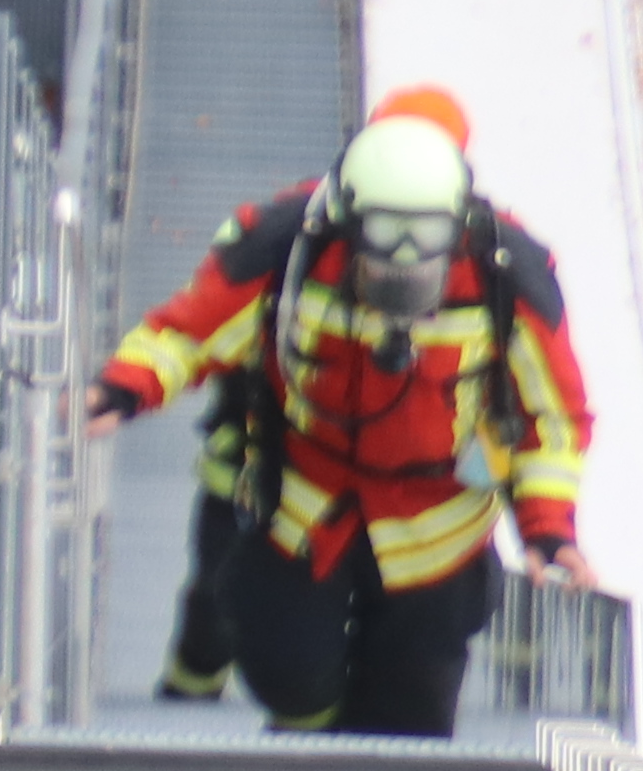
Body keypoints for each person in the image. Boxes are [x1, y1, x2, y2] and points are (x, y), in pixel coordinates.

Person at [84, 97, 598, 738]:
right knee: (286, 669)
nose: (406, 256)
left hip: (437, 535)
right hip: (307, 509)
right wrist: (123, 388)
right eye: (385, 233)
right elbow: (191, 330)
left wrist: (549, 529)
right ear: (347, 213)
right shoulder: (284, 246)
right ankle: (306, 754)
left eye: (428, 234)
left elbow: (553, 415)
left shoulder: (507, 272)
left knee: (410, 718)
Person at [142, 80, 473, 701]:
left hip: (312, 481)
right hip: (256, 459)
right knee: (228, 587)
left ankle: (213, 690)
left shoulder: (459, 253)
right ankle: (196, 686)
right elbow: (208, 319)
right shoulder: (290, 237)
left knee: (236, 589)